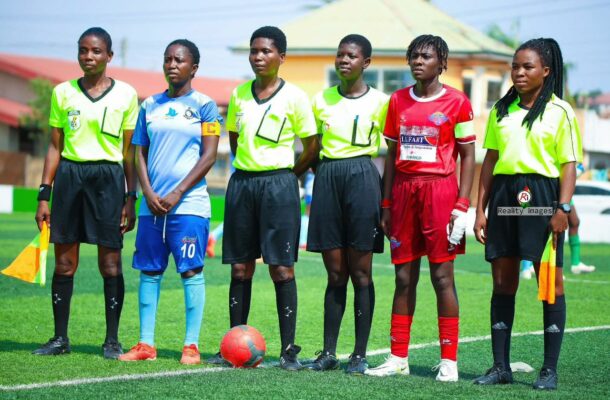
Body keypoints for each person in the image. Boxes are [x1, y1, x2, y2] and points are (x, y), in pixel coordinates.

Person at [206, 26, 318, 370]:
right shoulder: (239, 95)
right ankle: (233, 345)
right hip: (242, 185)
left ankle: (288, 351)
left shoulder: (295, 97)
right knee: (240, 268)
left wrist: (288, 177)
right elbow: (236, 139)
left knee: (281, 269)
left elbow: (312, 146)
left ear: (281, 57)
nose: (258, 56)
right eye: (254, 51)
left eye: (266, 51)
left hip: (280, 186)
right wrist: (252, 171)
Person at [365, 34, 475, 382]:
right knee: (402, 278)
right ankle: (398, 357)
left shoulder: (458, 102)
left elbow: (469, 155)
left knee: (442, 277)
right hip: (403, 194)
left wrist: (463, 203)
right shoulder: (397, 101)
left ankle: (449, 360)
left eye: (426, 56)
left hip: (440, 192)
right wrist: (386, 203)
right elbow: (391, 158)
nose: (417, 61)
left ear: (442, 63)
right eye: (413, 56)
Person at [473, 38, 581, 390]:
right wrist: (480, 210)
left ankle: (549, 369)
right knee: (503, 282)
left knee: (549, 283)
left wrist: (563, 208)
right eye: (515, 67)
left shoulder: (560, 111)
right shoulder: (500, 111)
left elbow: (568, 165)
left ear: (545, 71)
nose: (519, 73)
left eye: (528, 67)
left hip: (542, 197)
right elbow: (489, 161)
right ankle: (500, 367)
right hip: (506, 197)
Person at [32, 27, 138, 359]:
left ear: (109, 56)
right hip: (70, 177)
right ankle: (60, 338)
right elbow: (54, 147)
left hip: (108, 179)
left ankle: (111, 340)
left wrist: (129, 197)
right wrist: (44, 193)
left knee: (110, 263)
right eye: (82, 51)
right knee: (64, 263)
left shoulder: (126, 95)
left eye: (95, 51)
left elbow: (129, 153)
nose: (88, 57)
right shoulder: (62, 93)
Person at [118, 39, 221, 365]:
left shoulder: (206, 106)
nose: (172, 64)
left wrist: (177, 193)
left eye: (179, 60)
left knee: (191, 271)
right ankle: (146, 344)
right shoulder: (149, 105)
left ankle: (191, 346)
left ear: (194, 67)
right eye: (167, 59)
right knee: (149, 271)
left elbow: (209, 156)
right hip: (152, 207)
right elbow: (138, 154)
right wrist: (146, 193)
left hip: (189, 205)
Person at [303, 34, 387, 375]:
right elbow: (312, 147)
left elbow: (391, 153)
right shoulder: (320, 100)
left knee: (361, 272)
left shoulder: (382, 102)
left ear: (365, 62)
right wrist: (317, 175)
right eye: (339, 55)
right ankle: (328, 352)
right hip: (328, 178)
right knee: (335, 272)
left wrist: (387, 197)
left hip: (363, 176)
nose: (343, 60)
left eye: (351, 56)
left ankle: (359, 354)